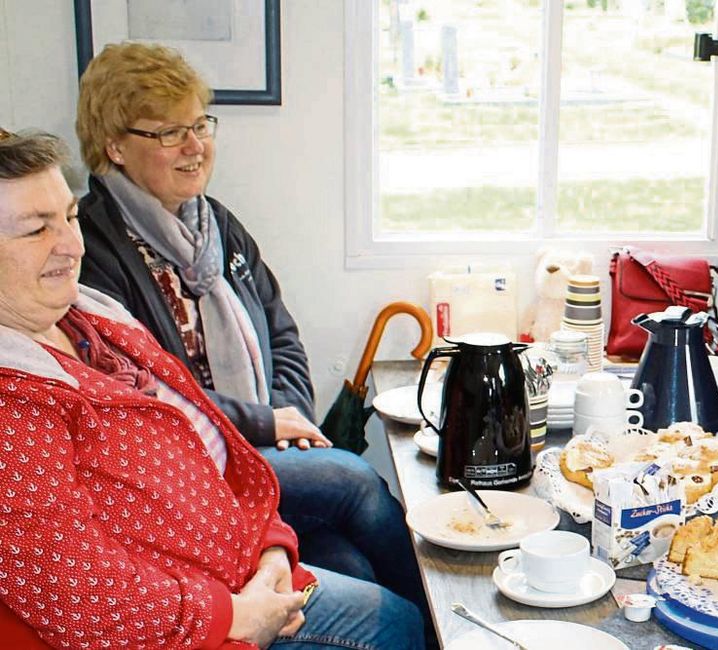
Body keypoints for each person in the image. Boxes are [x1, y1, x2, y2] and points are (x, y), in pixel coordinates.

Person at [0, 128, 423, 648]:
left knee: (356, 564)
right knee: (395, 618)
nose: (71, 243)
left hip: (237, 563)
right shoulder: (14, 408)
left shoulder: (91, 321)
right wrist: (237, 616)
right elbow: (83, 596)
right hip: (198, 618)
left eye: (67, 216)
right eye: (35, 230)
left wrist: (271, 549)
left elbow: (211, 448)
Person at [72, 43, 431, 629]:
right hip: (189, 467)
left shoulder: (216, 224)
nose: (195, 147)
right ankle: (444, 626)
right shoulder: (92, 251)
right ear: (115, 145)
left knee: (353, 566)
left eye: (199, 125)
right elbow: (140, 394)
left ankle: (428, 628)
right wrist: (261, 426)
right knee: (353, 481)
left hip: (257, 441)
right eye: (169, 133)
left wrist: (285, 416)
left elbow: (282, 333)